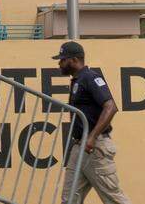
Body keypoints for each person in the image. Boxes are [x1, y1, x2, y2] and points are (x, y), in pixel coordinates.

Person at [54, 41, 132, 204]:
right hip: (79, 148)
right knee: (69, 200)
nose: (59, 63)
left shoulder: (90, 77)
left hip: (94, 148)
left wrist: (92, 137)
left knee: (113, 198)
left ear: (74, 60)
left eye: (63, 59)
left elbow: (110, 107)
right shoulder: (78, 80)